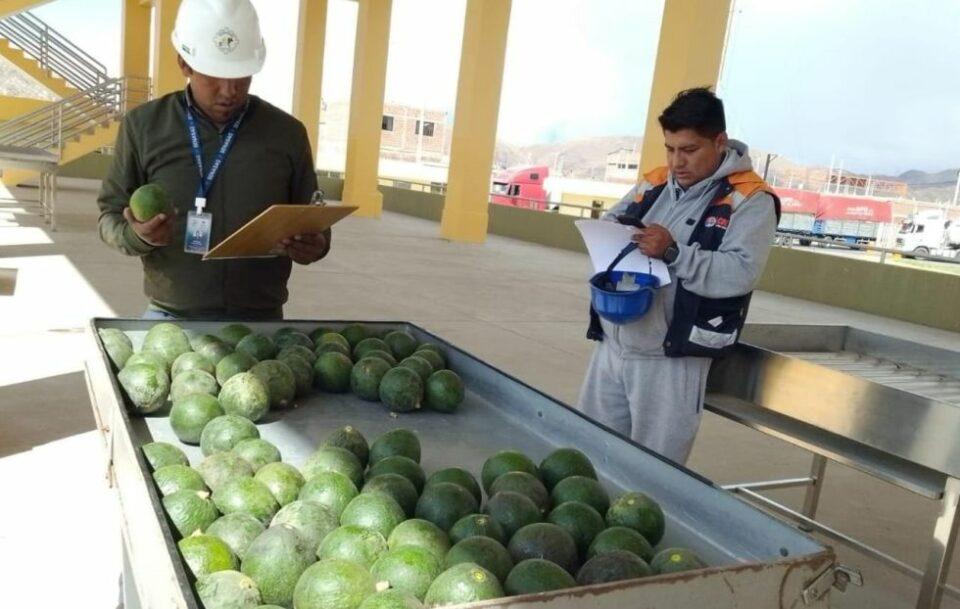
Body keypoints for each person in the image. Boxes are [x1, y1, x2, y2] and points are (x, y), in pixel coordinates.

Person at [577, 87, 780, 464]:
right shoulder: (654, 182)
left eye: (689, 150)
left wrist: (674, 252)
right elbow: (612, 219)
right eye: (670, 149)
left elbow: (740, 272)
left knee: (653, 474)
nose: (676, 162)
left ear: (719, 142)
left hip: (670, 359)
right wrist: (613, 231)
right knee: (590, 457)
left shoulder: (750, 199)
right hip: (614, 344)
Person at [97, 0, 330, 320]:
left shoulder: (287, 134)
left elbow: (313, 219)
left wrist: (316, 245)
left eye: (241, 77)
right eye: (215, 77)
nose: (228, 91)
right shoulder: (144, 126)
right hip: (170, 316)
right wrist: (136, 236)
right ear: (184, 64)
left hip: (261, 321)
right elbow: (110, 215)